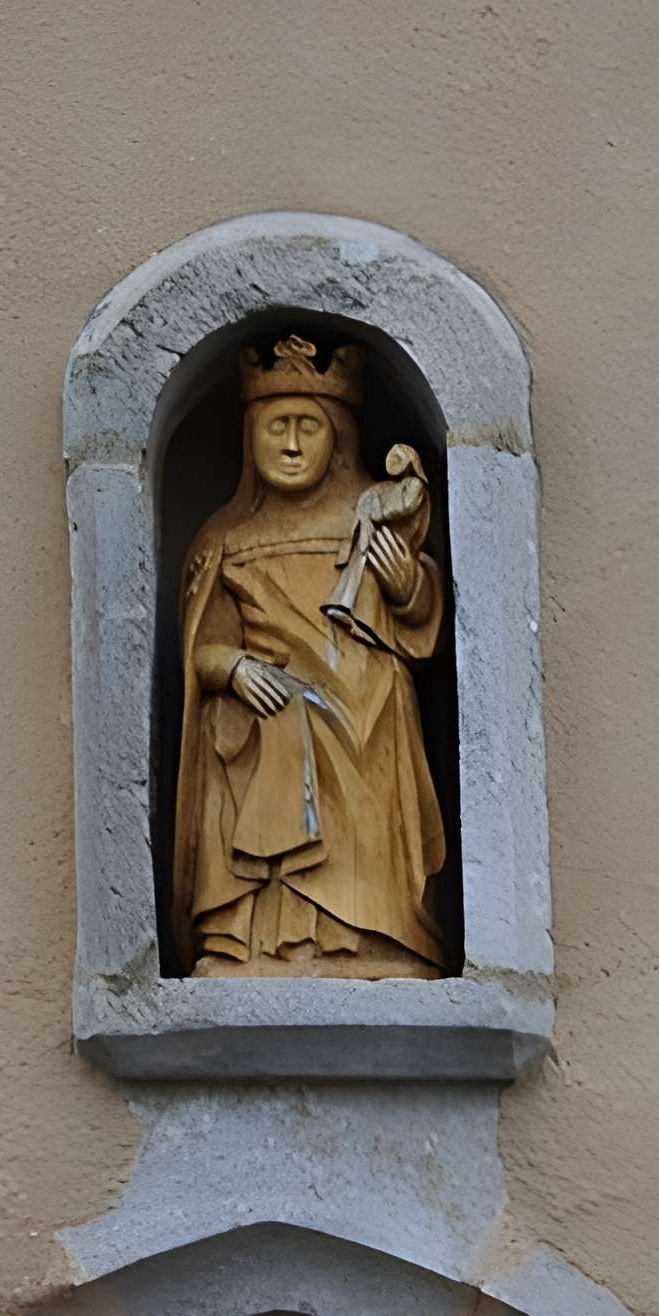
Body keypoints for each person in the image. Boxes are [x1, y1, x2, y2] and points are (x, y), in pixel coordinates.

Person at [172, 335, 446, 976]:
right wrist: (236, 669)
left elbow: (423, 615)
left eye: (307, 427)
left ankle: (378, 940)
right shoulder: (225, 537)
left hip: (368, 706)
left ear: (339, 437)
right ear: (250, 438)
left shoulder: (369, 515)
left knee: (374, 712)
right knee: (275, 727)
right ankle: (257, 943)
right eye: (276, 427)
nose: (291, 445)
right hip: (270, 710)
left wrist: (406, 584)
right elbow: (201, 651)